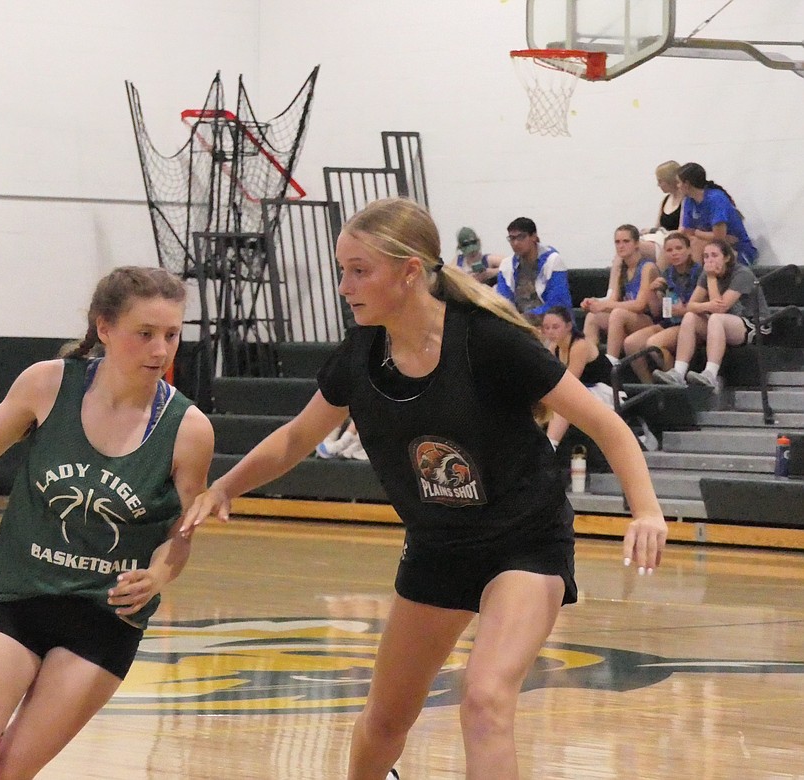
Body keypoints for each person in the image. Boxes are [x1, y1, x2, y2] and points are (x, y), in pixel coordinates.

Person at [181, 198, 667, 780]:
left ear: (410, 271)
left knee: (485, 699)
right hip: (437, 546)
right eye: (342, 270)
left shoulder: (488, 342)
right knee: (384, 722)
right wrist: (224, 488)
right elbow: (294, 439)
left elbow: (606, 423)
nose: (344, 285)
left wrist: (646, 510)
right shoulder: (360, 353)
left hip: (524, 543)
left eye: (359, 270)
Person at [0, 266, 215, 780]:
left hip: (103, 622)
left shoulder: (189, 429)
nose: (160, 350)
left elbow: (181, 533)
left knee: (4, 775)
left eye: (172, 335)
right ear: (104, 328)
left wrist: (158, 576)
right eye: (145, 334)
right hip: (20, 597)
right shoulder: (48, 383)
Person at [653, 239, 770, 390]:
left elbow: (720, 308)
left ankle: (710, 374)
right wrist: (706, 305)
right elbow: (691, 306)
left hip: (755, 324)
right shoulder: (706, 274)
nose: (709, 260)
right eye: (706, 256)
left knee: (715, 318)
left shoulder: (742, 274)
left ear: (726, 257)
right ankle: (679, 372)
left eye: (714, 255)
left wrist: (711, 279)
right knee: (690, 318)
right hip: (725, 322)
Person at [623, 232, 702, 383]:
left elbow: (706, 305)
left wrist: (684, 310)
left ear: (689, 250)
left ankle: (675, 381)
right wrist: (652, 293)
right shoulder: (667, 273)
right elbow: (657, 312)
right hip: (669, 321)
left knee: (654, 343)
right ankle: (649, 386)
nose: (675, 253)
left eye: (679, 248)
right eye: (670, 250)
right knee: (631, 343)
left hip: (690, 323)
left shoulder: (698, 273)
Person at [578, 225, 659, 362]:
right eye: (617, 242)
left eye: (626, 241)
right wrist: (595, 303)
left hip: (650, 319)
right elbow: (613, 299)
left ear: (637, 244)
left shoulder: (647, 267)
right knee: (593, 316)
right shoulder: (622, 268)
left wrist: (604, 305)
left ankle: (611, 362)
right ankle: (589, 358)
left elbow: (640, 305)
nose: (621, 246)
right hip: (630, 317)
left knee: (617, 313)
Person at [539, 305, 615, 449]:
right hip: (582, 391)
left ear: (568, 326)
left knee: (565, 404)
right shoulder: (553, 347)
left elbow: (570, 383)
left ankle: (550, 448)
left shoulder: (580, 345)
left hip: (604, 391)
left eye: (555, 327)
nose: (550, 332)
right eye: (546, 328)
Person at [678, 162, 758, 266]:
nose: (677, 186)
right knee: (679, 247)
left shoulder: (715, 199)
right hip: (715, 246)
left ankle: (696, 280)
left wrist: (697, 233)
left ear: (687, 184)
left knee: (699, 244)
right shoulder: (689, 201)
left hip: (738, 250)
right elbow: (687, 232)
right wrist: (700, 235)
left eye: (678, 182)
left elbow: (719, 237)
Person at [495, 216, 572, 321]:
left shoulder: (553, 262)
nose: (515, 243)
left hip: (550, 323)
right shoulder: (506, 266)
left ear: (534, 237)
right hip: (519, 324)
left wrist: (527, 317)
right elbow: (504, 302)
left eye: (521, 237)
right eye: (512, 238)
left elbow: (558, 304)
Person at [639, 160, 683, 269]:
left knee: (635, 249)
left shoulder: (686, 201)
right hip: (662, 237)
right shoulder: (665, 200)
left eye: (660, 181)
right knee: (629, 246)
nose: (658, 185)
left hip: (674, 239)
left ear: (670, 180)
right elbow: (657, 226)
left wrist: (658, 232)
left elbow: (683, 230)